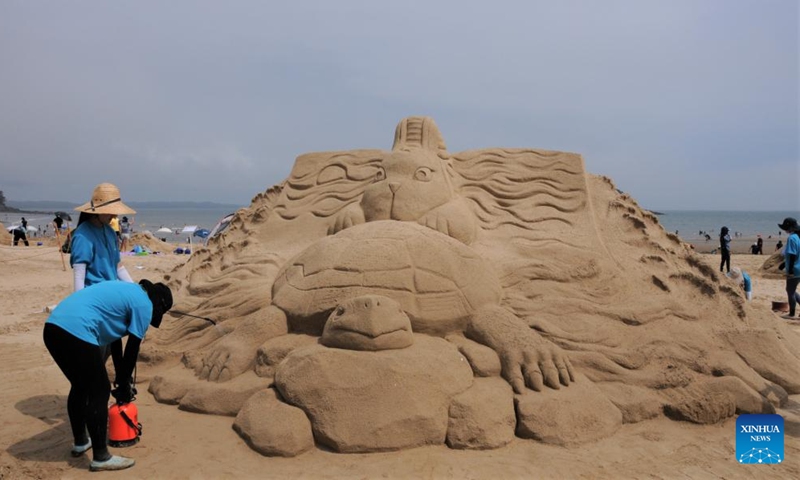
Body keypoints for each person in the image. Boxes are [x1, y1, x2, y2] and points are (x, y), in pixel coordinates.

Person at [43, 280, 172, 472]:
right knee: (100, 389)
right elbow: (132, 349)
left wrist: (122, 380)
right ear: (158, 304)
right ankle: (101, 457)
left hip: (53, 328)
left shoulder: (128, 292)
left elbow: (116, 344)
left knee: (80, 385)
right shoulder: (144, 304)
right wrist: (123, 387)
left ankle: (81, 441)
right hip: (76, 329)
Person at [71, 183, 137, 292]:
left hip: (111, 290)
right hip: (93, 293)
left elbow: (118, 266)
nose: (114, 216)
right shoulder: (82, 235)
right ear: (97, 211)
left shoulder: (110, 231)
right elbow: (79, 274)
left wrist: (134, 288)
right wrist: (80, 302)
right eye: (110, 211)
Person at [778, 217, 800, 318]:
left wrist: (790, 270)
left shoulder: (792, 238)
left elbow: (792, 255)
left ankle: (792, 314)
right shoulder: (798, 237)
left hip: (794, 269)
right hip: (799, 268)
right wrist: (783, 265)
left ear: (790, 228)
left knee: (790, 291)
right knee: (791, 289)